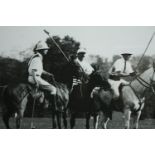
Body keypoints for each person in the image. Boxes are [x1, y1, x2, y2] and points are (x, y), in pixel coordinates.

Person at [28, 40, 57, 109]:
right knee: (53, 89)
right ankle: (52, 107)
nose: (47, 50)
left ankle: (43, 101)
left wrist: (49, 74)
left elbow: (40, 70)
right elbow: (33, 71)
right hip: (35, 78)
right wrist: (36, 82)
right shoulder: (37, 58)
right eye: (46, 49)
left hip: (34, 77)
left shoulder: (37, 57)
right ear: (41, 50)